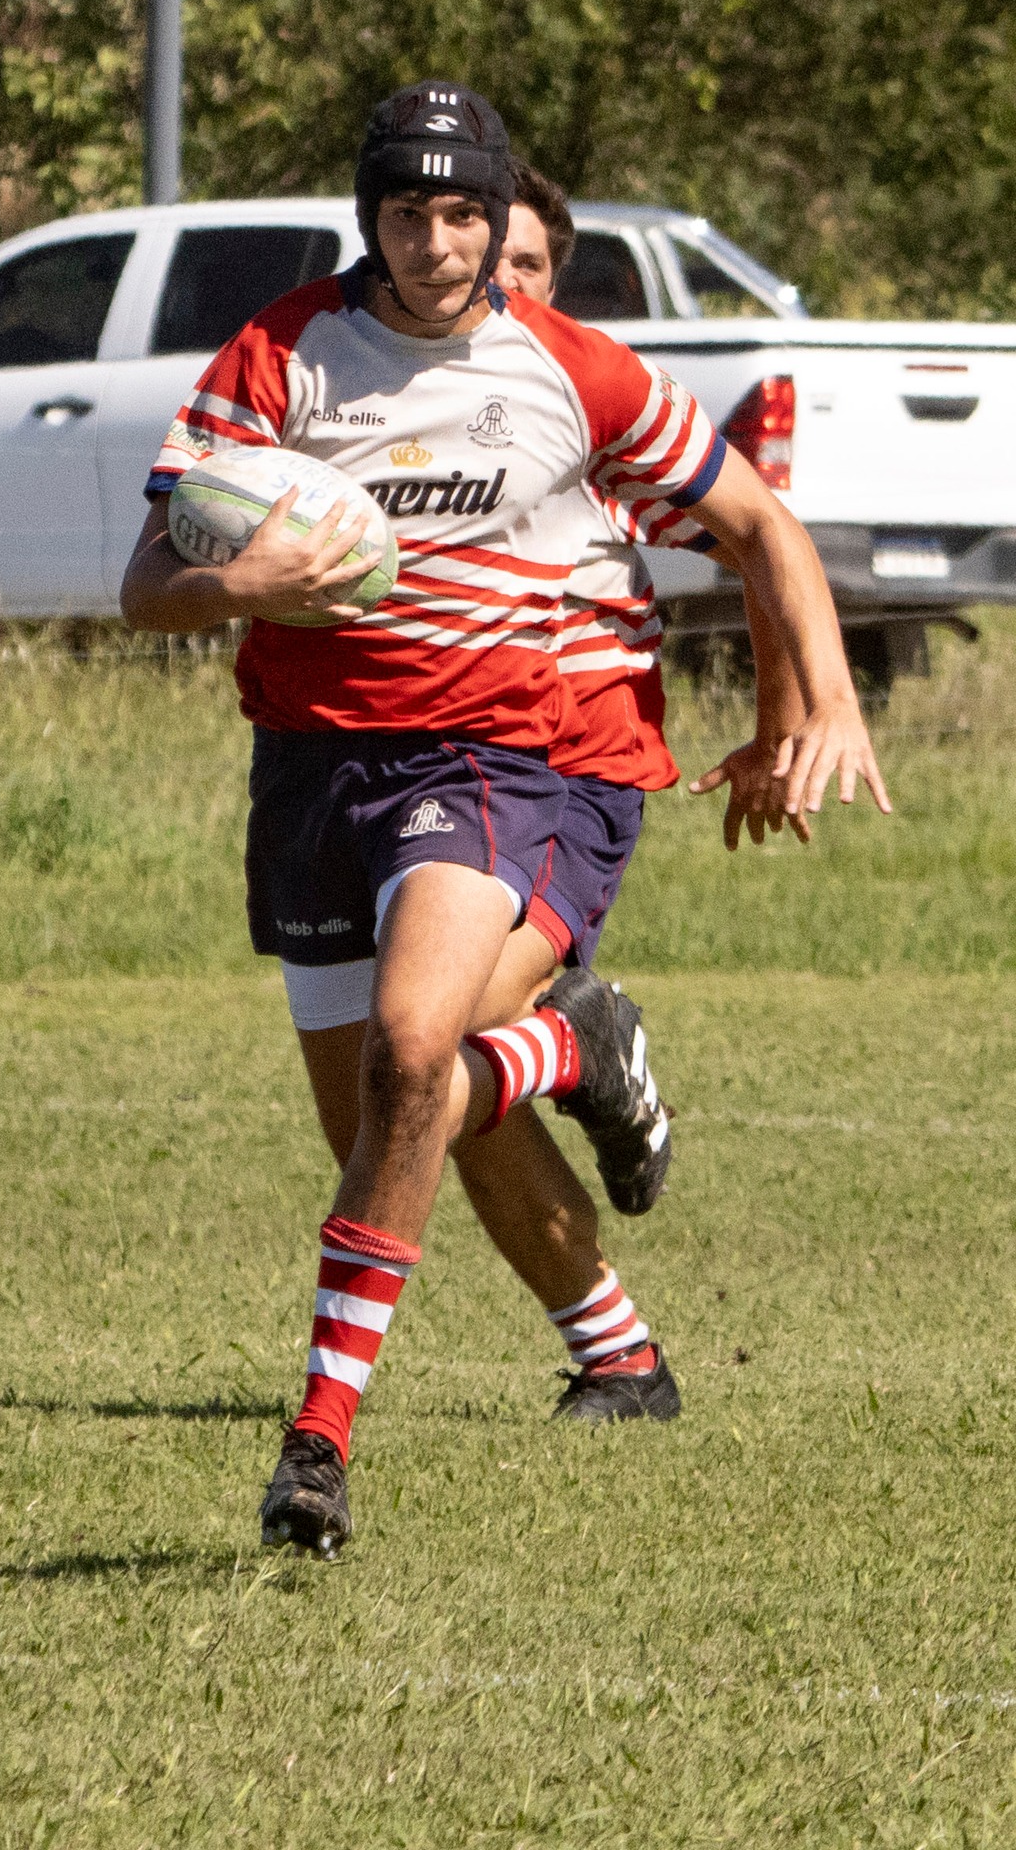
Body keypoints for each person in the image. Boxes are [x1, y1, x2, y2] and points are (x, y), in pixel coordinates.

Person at [121, 80, 887, 1558]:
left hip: (505, 762)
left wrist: (819, 707)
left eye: (463, 212)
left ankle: (319, 1445)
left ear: (499, 218)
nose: (437, 241)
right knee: (385, 1122)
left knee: (418, 1056)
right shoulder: (278, 355)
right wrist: (240, 585)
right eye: (408, 212)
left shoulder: (572, 371)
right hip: (311, 772)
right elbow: (148, 579)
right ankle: (603, 1256)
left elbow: (757, 524)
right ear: (373, 217)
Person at [445, 158, 817, 1427]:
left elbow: (758, 532)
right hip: (422, 773)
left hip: (568, 765)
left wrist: (779, 720)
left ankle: (580, 1039)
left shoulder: (588, 410)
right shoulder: (405, 401)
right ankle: (618, 1357)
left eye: (527, 265)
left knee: (429, 1050)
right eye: (484, 255)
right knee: (407, 1104)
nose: (497, 281)